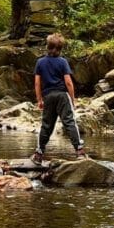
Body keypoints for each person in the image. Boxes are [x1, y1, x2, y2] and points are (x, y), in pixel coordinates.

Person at [32, 33, 85, 164]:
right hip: (62, 95)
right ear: (60, 49)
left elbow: (37, 83)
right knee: (69, 122)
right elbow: (68, 82)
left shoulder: (40, 62)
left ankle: (39, 154)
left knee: (46, 125)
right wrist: (72, 99)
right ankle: (79, 152)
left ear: (47, 47)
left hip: (48, 96)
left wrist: (39, 100)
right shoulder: (62, 62)